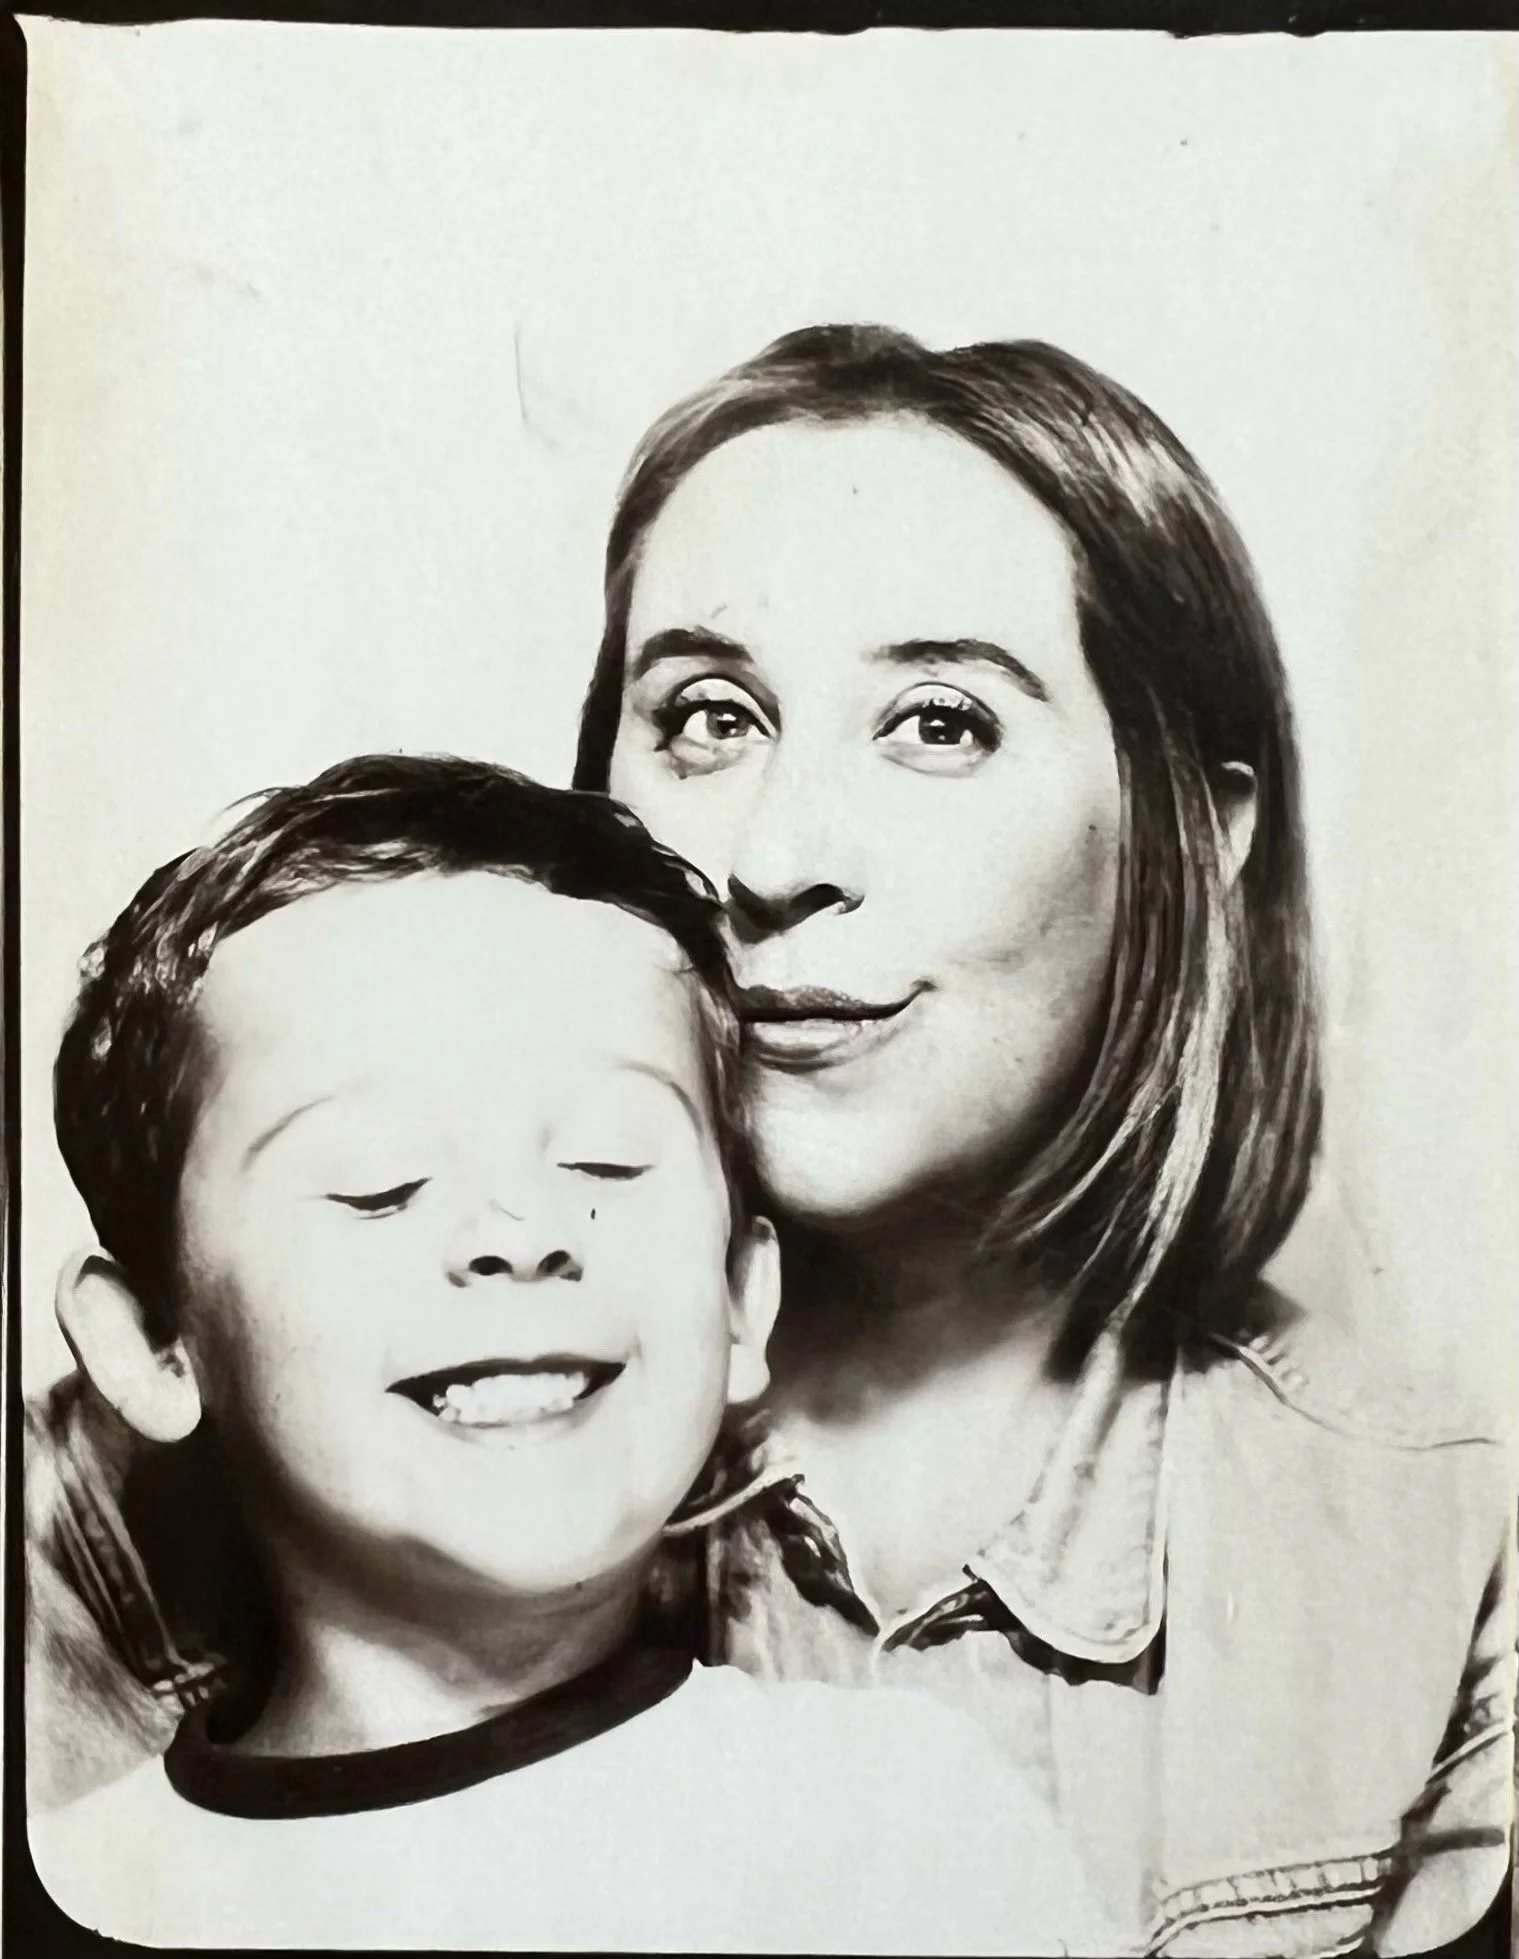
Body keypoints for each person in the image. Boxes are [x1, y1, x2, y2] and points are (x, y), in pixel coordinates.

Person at [572, 325, 1518, 1956]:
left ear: (1187, 823)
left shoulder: (1450, 1558)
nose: (776, 851)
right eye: (711, 718)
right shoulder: (199, 1491)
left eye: (936, 722)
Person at [28, 754, 1115, 1956]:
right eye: (378, 1185)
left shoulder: (907, 1834)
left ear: (741, 1298)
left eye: (605, 1164)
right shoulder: (77, 1892)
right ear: (149, 1347)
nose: (522, 1235)